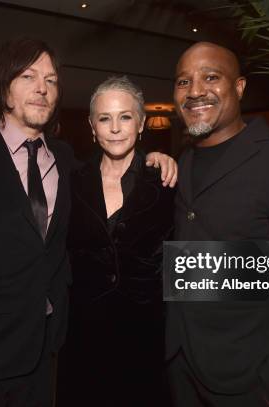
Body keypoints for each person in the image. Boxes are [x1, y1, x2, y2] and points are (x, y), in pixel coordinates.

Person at [0, 38, 177, 407]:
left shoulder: (68, 162)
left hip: (50, 352)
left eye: (51, 80)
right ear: (4, 88)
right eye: (28, 76)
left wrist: (156, 157)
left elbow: (113, 178)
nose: (41, 88)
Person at [165, 42, 269, 406]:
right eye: (183, 81)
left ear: (239, 88)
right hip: (181, 365)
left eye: (211, 77)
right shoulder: (184, 162)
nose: (195, 91)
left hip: (246, 378)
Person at [59, 77, 174, 406]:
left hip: (146, 337)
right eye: (104, 118)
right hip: (84, 334)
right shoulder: (73, 180)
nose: (114, 128)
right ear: (92, 125)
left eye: (125, 116)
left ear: (141, 123)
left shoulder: (166, 180)